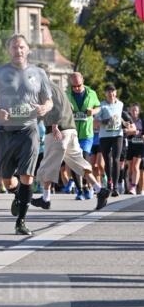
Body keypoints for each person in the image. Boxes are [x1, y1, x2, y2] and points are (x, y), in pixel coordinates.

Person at [0, 34, 53, 237]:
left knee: (27, 176)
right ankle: (19, 196)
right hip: (5, 131)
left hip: (29, 129)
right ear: (9, 50)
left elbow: (48, 101)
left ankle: (21, 222)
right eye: (14, 47)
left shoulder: (39, 73)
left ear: (28, 50)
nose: (18, 50)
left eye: (22, 47)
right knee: (6, 179)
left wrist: (43, 108)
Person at [31, 80, 109, 211]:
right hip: (70, 130)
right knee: (78, 163)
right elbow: (70, 108)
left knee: (48, 164)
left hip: (58, 131)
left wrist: (55, 125)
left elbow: (57, 107)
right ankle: (99, 190)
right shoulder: (59, 89)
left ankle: (45, 199)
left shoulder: (45, 89)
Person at [66, 72, 101, 200]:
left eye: (78, 85)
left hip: (86, 133)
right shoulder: (67, 95)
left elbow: (98, 107)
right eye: (74, 86)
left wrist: (93, 111)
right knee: (75, 161)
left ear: (83, 81)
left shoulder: (91, 93)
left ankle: (87, 186)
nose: (76, 88)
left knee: (84, 159)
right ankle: (79, 190)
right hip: (72, 132)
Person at [98, 84, 126, 198]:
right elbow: (97, 120)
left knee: (116, 160)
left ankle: (115, 187)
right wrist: (107, 121)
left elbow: (121, 117)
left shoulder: (120, 104)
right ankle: (109, 182)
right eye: (109, 92)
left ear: (116, 93)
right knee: (107, 161)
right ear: (106, 94)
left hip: (117, 135)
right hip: (105, 136)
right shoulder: (101, 105)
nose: (111, 94)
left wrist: (125, 123)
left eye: (113, 92)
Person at [125, 103, 143, 193]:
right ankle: (130, 185)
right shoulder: (127, 122)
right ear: (130, 111)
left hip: (139, 146)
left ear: (138, 112)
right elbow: (125, 132)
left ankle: (133, 187)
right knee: (130, 168)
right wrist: (132, 132)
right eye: (132, 110)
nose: (134, 112)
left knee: (136, 166)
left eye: (135, 110)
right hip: (129, 146)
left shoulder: (142, 122)